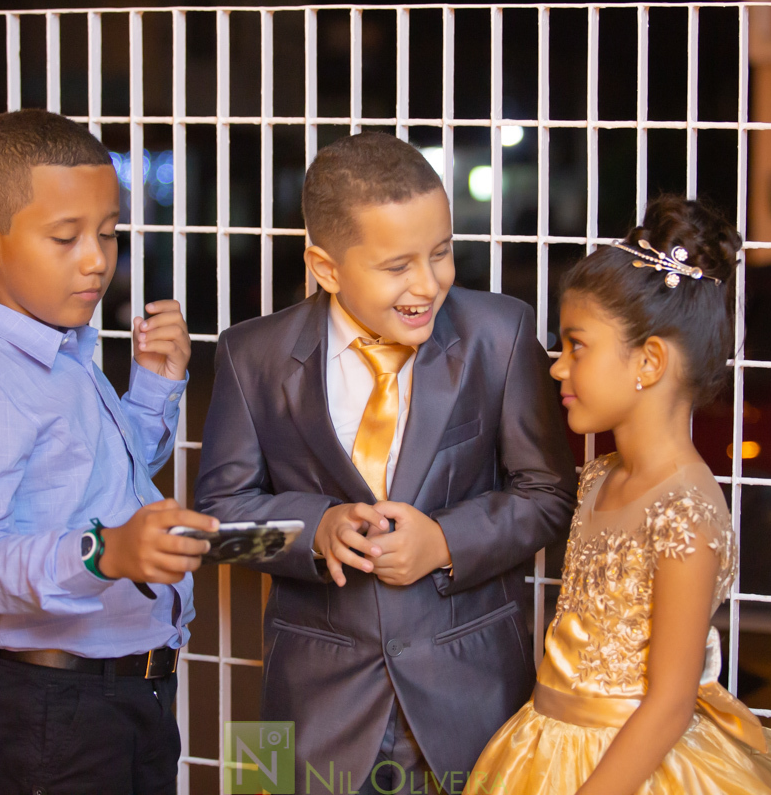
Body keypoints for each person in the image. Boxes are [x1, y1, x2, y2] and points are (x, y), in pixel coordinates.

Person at [194, 131, 575, 795]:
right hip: (307, 703)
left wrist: (445, 542)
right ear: (326, 265)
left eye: (442, 253)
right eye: (398, 266)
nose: (428, 284)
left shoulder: (501, 334)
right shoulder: (249, 355)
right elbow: (221, 524)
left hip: (475, 694)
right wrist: (312, 530)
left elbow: (547, 494)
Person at [466, 196, 771, 795]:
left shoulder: (686, 512)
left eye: (577, 347)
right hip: (543, 748)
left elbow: (670, 703)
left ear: (648, 361)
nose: (557, 369)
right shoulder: (598, 477)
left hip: (626, 770)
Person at [0, 108, 216, 795]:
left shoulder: (61, 344)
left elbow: (104, 482)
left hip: (119, 693)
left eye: (107, 232)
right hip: (50, 711)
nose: (98, 259)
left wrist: (155, 387)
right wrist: (106, 553)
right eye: (66, 237)